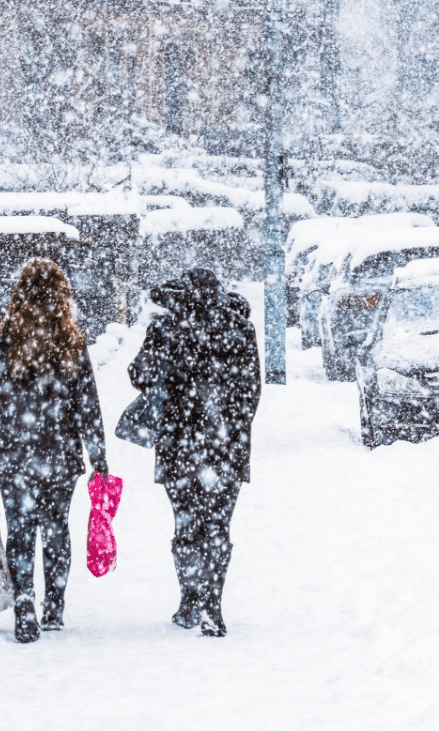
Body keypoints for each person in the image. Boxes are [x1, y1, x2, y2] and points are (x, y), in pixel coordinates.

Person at [0, 257, 109, 644]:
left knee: (21, 530)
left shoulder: (3, 341)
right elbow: (87, 405)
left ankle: (25, 600)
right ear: (62, 295)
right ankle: (55, 604)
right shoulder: (71, 341)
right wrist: (99, 458)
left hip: (15, 456)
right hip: (60, 455)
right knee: (56, 528)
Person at [127, 267, 262, 638]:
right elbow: (251, 394)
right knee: (217, 526)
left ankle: (190, 600)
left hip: (178, 445)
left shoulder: (166, 329)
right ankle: (212, 605)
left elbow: (140, 376)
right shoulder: (240, 330)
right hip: (225, 448)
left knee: (186, 524)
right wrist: (229, 430)